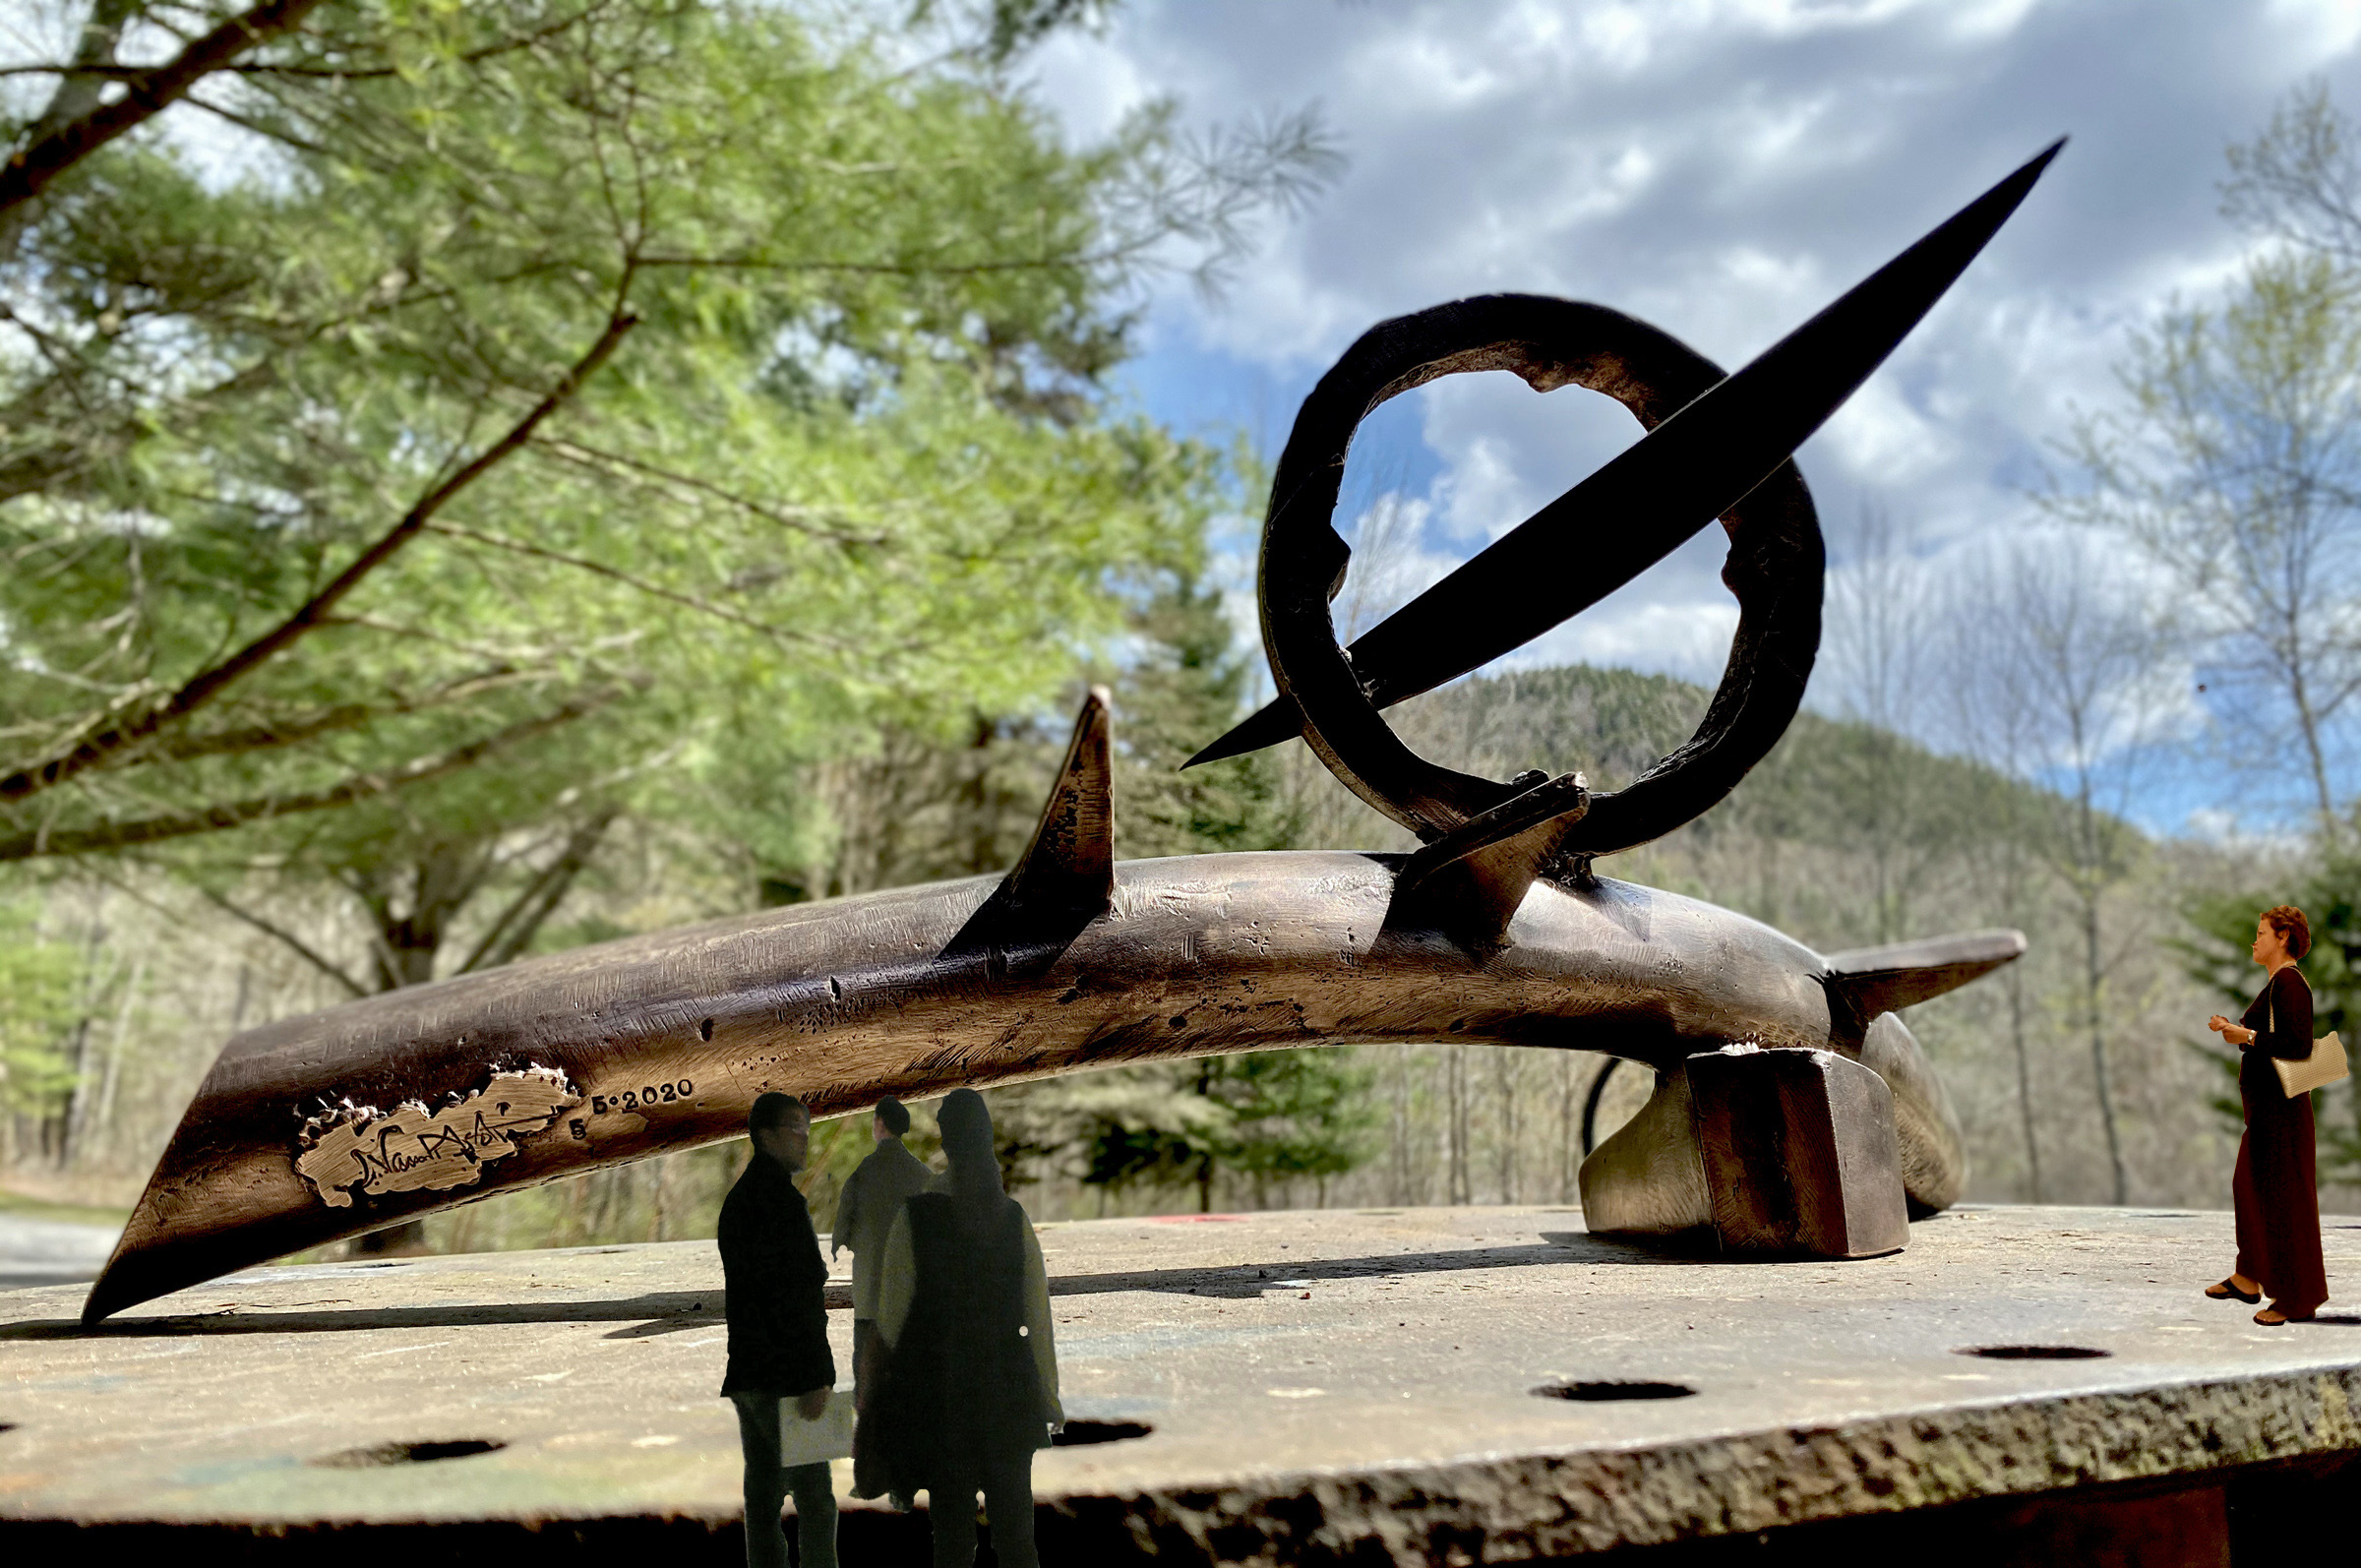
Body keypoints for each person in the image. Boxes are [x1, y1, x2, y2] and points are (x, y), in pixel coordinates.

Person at [861, 1088, 1060, 1568]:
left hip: (943, 1403)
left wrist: (873, 1406)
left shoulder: (915, 1218)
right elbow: (1038, 1320)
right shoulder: (1012, 1219)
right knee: (1018, 1542)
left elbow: (889, 1326)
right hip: (1008, 1399)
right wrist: (1049, 1397)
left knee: (951, 1545)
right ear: (986, 1138)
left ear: (945, 1143)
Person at [718, 1093, 839, 1568]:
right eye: (795, 1129)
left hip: (749, 1373)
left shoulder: (738, 1200)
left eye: (807, 1129)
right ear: (765, 1136)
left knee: (764, 1499)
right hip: (788, 1379)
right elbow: (796, 1297)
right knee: (816, 1500)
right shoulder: (782, 1204)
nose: (805, 1139)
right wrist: (816, 1377)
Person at [2206, 905, 2330, 1326]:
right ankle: (2248, 1276)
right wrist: (2237, 1032)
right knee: (2252, 1188)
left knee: (2285, 1200)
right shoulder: (2277, 983)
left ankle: (2298, 1299)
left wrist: (2249, 1035)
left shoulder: (2290, 983)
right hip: (2266, 1113)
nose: (2254, 941)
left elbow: (2298, 1046)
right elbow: (2267, 1038)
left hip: (2283, 1116)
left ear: (2283, 937)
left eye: (2261, 933)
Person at [832, 1095, 936, 1405]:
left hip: (870, 1291)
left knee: (866, 1366)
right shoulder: (922, 1175)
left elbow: (843, 1226)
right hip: (910, 1292)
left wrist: (843, 1245)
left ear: (879, 1124)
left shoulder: (864, 1172)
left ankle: (867, 1416)